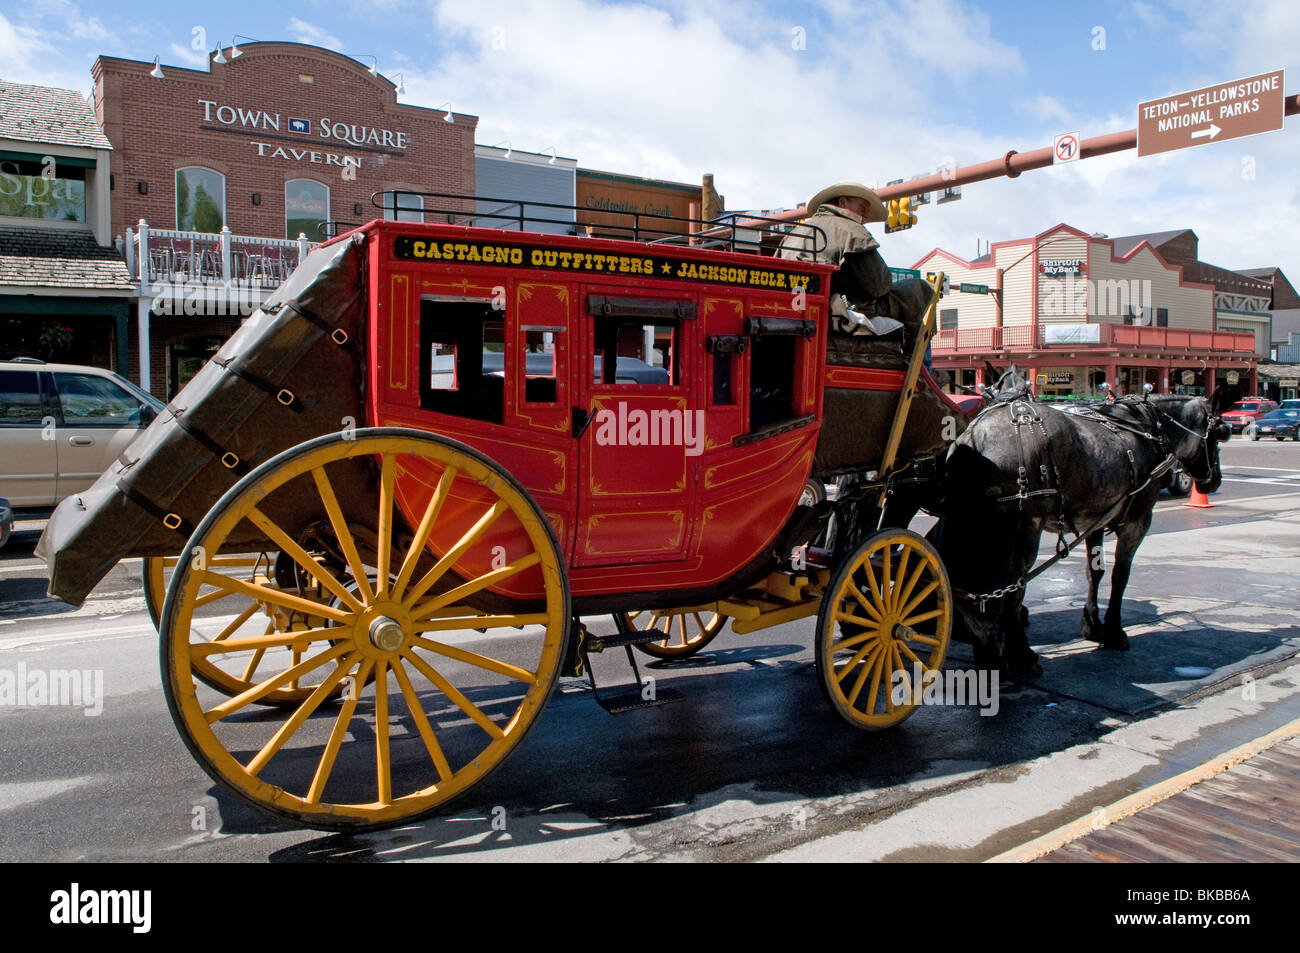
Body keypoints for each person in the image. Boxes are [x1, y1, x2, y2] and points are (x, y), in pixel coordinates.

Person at [779, 181, 933, 343]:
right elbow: (878, 286)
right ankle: (919, 360)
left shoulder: (795, 233)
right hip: (837, 308)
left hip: (796, 308)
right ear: (843, 202)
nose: (866, 212)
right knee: (919, 289)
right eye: (863, 206)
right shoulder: (851, 229)